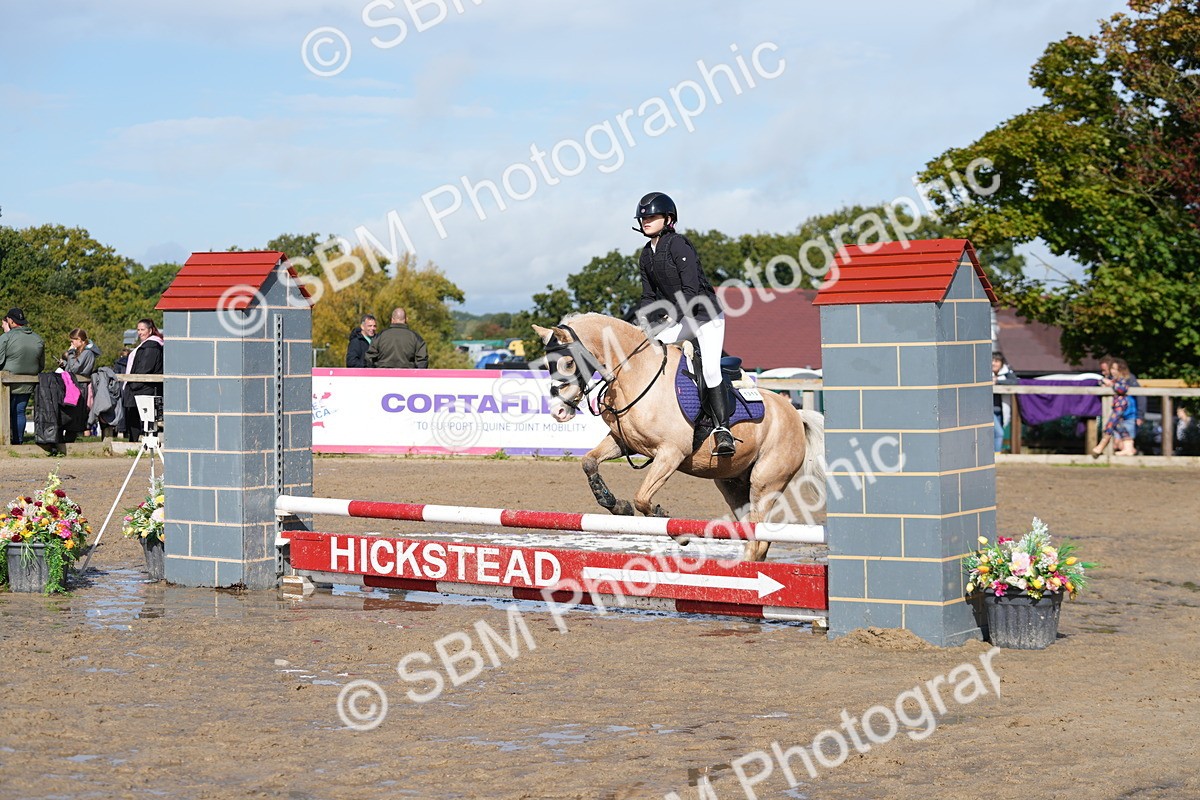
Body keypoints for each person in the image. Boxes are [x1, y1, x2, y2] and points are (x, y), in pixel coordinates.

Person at [629, 191, 734, 455]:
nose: (646, 221)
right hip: (680, 316)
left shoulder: (679, 245)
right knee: (648, 351)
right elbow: (648, 296)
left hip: (704, 315)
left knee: (710, 368)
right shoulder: (646, 255)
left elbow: (689, 290)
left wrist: (666, 318)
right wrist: (640, 325)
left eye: (652, 217)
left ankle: (723, 430)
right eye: (643, 218)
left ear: (668, 218)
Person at [0, 308, 46, 444]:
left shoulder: (6, 338)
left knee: (6, 411)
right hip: (28, 382)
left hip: (6, 383)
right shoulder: (38, 339)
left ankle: (5, 442)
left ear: (11, 321)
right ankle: (18, 441)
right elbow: (41, 365)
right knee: (20, 411)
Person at [121, 318, 164, 441]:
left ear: (150, 330)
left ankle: (138, 443)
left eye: (142, 329)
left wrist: (133, 385)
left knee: (143, 419)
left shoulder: (152, 346)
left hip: (144, 388)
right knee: (137, 418)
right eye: (138, 330)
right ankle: (137, 442)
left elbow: (145, 368)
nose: (140, 332)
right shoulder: (147, 345)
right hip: (141, 387)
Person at [1094, 358, 1137, 457]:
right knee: (1119, 426)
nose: (1112, 371)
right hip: (1117, 406)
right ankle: (1129, 448)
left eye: (1114, 369)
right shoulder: (1115, 380)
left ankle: (1101, 445)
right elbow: (1101, 381)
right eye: (1112, 369)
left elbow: (1122, 389)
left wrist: (1111, 384)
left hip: (1120, 406)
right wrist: (1105, 382)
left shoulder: (1124, 380)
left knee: (1110, 425)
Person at [991, 352, 1019, 454]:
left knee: (995, 434)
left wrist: (997, 381)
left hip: (1002, 410)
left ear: (1001, 363)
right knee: (999, 433)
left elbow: (1015, 381)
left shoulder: (1007, 373)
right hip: (989, 410)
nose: (993, 363)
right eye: (992, 361)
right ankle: (997, 455)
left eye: (996, 361)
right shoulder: (983, 373)